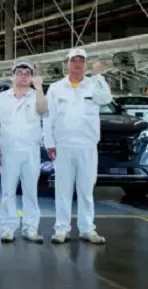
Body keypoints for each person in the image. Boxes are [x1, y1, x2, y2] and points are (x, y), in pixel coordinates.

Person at [44, 48, 112, 244]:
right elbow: (49, 117)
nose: (77, 64)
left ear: (85, 64)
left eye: (81, 60)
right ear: (67, 63)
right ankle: (61, 229)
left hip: (87, 146)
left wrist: (97, 75)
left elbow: (107, 99)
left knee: (86, 190)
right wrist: (49, 142)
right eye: (74, 60)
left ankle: (87, 228)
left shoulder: (93, 85)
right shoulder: (56, 88)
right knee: (62, 190)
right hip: (63, 146)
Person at [0, 61, 47, 243]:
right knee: (8, 191)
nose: (23, 76)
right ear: (12, 76)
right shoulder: (2, 98)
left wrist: (39, 88)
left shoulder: (37, 95)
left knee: (30, 191)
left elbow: (43, 110)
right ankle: (8, 227)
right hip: (8, 151)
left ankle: (30, 228)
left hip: (31, 150)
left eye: (27, 73)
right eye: (19, 72)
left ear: (31, 77)